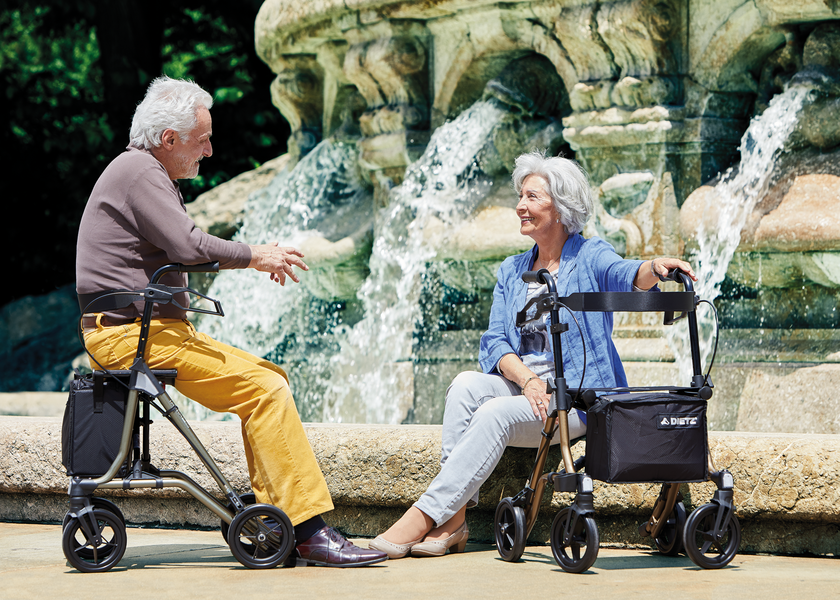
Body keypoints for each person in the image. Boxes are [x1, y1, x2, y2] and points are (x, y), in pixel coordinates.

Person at [75, 76, 387, 568]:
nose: (211, 150)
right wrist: (256, 254)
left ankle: (279, 515)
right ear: (169, 139)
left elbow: (181, 249)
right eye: (203, 140)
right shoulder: (140, 172)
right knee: (264, 389)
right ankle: (308, 530)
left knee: (269, 381)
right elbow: (189, 245)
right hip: (129, 336)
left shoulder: (140, 171)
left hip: (140, 331)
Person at [369, 151, 697, 558]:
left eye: (532, 197)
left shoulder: (589, 255)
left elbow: (625, 273)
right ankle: (453, 523)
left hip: (575, 399)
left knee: (491, 412)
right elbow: (494, 342)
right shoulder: (512, 270)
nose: (520, 206)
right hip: (529, 390)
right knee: (465, 385)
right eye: (520, 197)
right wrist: (526, 380)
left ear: (560, 208)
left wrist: (654, 266)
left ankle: (423, 517)